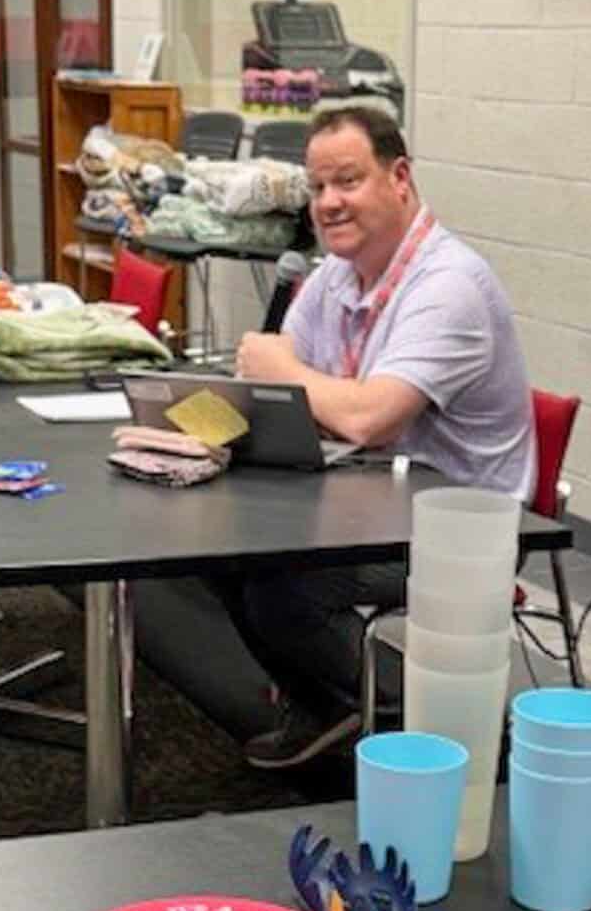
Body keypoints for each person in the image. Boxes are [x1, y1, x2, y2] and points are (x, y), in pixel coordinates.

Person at [221, 105, 535, 770]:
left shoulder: (448, 287)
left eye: (348, 181)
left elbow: (369, 417)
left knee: (282, 580)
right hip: (370, 498)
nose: (328, 203)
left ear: (400, 178)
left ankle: (384, 711)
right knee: (220, 540)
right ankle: (324, 700)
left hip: (456, 529)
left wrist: (286, 372)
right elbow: (280, 391)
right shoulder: (336, 275)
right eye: (317, 188)